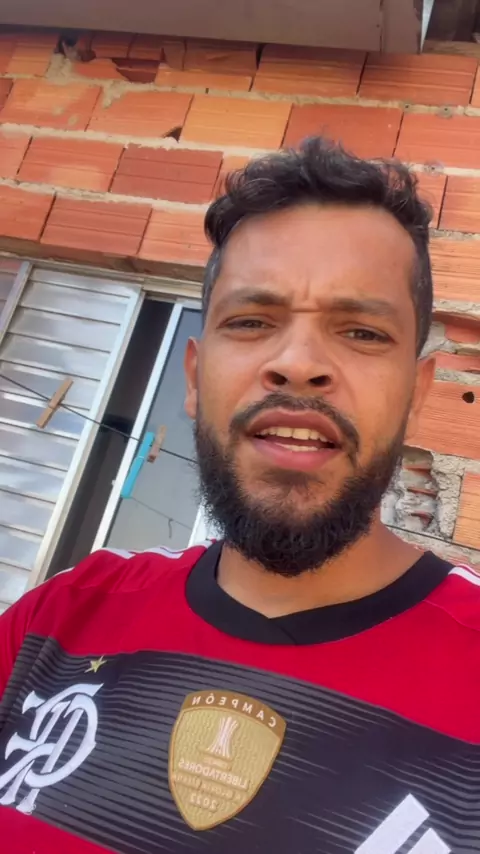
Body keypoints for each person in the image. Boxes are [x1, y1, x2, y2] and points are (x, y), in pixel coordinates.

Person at [0, 138, 478, 854]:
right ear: (194, 378)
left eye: (361, 331)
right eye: (252, 321)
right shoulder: (60, 618)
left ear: (416, 394)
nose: (298, 364)